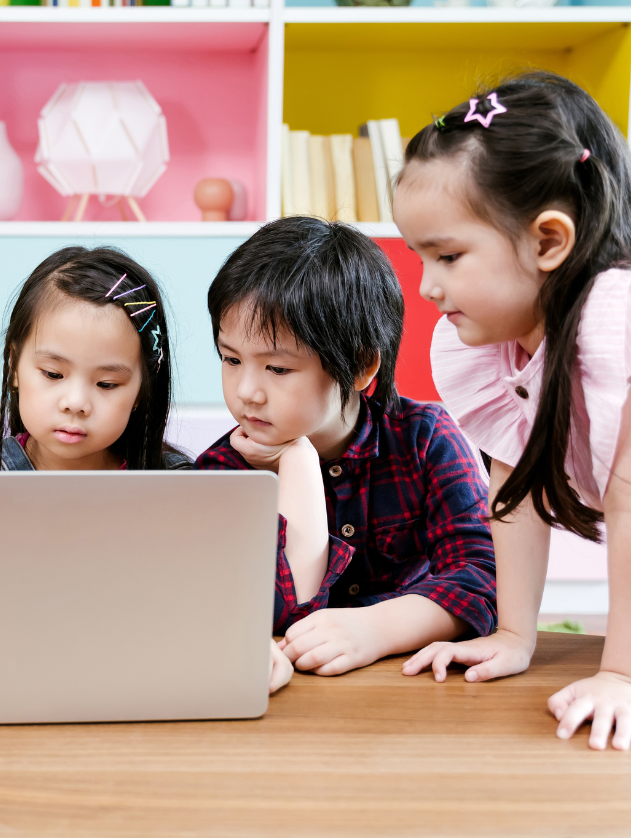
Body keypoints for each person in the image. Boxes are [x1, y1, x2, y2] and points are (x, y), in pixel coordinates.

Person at [397, 71, 631, 751]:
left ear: (549, 241)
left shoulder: (627, 314)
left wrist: (622, 676)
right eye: (420, 256)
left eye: (449, 256)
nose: (429, 286)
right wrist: (515, 633)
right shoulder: (505, 338)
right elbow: (514, 485)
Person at [196, 217, 496, 688]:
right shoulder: (225, 468)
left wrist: (375, 628)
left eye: (277, 367)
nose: (247, 391)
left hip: (412, 684)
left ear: (359, 366)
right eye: (231, 359)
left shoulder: (426, 439)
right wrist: (295, 463)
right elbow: (277, 612)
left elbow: (484, 576)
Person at [0, 246, 191, 473]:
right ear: (13, 365)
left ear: (142, 390)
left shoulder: (176, 485)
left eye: (106, 384)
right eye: (53, 374)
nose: (75, 403)